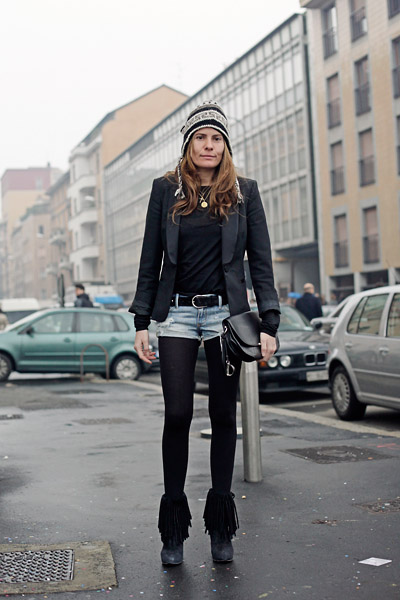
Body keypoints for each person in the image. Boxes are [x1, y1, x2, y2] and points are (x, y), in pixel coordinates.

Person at [130, 101, 280, 565]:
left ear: (225, 146)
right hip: (176, 315)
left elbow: (260, 261)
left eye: (216, 138)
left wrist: (269, 321)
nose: (209, 145)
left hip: (225, 318)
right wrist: (141, 322)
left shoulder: (244, 192)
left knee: (222, 415)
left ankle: (220, 527)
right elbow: (150, 257)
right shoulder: (165, 190)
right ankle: (173, 529)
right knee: (177, 414)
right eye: (201, 138)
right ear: (188, 145)